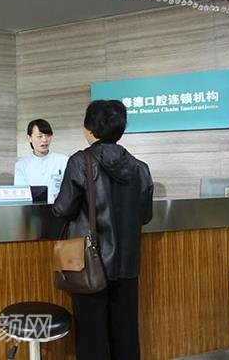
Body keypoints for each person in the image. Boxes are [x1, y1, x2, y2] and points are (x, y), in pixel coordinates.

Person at [52, 100, 153, 360]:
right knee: (126, 334)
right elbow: (145, 216)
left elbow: (63, 209)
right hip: (128, 264)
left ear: (90, 129)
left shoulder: (80, 162)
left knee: (92, 337)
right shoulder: (140, 168)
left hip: (90, 263)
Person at [14, 119, 68, 203]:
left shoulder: (63, 160)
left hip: (59, 208)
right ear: (29, 138)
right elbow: (20, 195)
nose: (44, 140)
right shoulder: (21, 165)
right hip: (32, 209)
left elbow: (70, 189)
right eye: (40, 136)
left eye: (48, 135)